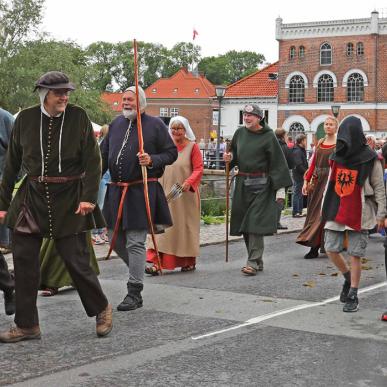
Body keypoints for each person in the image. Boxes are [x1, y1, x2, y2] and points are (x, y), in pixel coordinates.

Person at [0, 71, 112, 343]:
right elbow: (12, 164)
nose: (64, 96)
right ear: (43, 94)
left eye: (66, 92)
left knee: (76, 262)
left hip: (69, 199)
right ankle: (27, 325)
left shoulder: (79, 117)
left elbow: (93, 161)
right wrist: (3, 204)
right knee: (25, 261)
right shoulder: (24, 119)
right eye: (58, 92)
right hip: (31, 197)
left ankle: (102, 309)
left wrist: (88, 197)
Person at [101, 86, 177, 311]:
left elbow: (171, 153)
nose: (125, 103)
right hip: (116, 190)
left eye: (130, 100)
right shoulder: (115, 124)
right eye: (123, 99)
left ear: (141, 102)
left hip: (140, 190)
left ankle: (134, 291)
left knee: (135, 241)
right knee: (114, 238)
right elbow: (103, 155)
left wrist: (151, 159)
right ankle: (139, 266)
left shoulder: (155, 125)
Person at [322, 116, 385, 313]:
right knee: (331, 248)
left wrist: (382, 214)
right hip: (337, 206)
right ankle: (348, 278)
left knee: (355, 254)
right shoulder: (336, 155)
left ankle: (353, 294)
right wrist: (322, 208)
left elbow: (379, 187)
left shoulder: (370, 158)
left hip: (361, 209)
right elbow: (330, 184)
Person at [223, 104, 292, 275]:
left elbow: (278, 163)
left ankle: (252, 262)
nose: (246, 118)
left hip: (263, 185)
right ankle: (257, 259)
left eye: (250, 116)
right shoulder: (239, 133)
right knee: (245, 224)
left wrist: (280, 190)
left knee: (254, 223)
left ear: (259, 118)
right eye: (245, 115)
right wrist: (228, 158)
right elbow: (234, 157)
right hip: (242, 184)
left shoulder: (269, 136)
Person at [146, 115, 203, 274]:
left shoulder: (193, 147)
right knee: (161, 228)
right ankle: (156, 262)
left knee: (183, 229)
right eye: (173, 128)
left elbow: (198, 168)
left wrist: (189, 182)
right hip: (164, 192)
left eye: (179, 128)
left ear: (185, 130)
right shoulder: (165, 146)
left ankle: (187, 261)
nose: (176, 131)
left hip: (185, 196)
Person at [296, 116, 337, 259]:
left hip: (330, 182)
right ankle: (313, 243)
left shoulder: (339, 144)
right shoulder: (320, 142)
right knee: (313, 213)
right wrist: (306, 181)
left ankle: (318, 246)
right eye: (326, 124)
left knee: (323, 214)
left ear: (335, 127)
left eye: (331, 124)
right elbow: (312, 164)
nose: (328, 126)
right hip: (317, 180)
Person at [0, 107, 15, 316]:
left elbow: (19, 155)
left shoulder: (5, 118)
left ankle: (9, 286)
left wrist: (5, 183)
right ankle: (9, 285)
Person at [92, 124, 110, 245]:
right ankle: (95, 232)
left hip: (108, 178)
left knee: (105, 206)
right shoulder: (101, 145)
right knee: (99, 205)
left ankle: (102, 230)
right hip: (102, 177)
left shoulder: (109, 145)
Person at [274, 128, 295, 230]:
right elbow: (291, 164)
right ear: (283, 136)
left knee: (270, 200)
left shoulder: (271, 146)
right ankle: (276, 222)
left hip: (269, 177)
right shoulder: (285, 147)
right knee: (280, 199)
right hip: (281, 178)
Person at [291, 134, 308, 218]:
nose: (306, 142)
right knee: (297, 193)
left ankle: (299, 211)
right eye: (305, 140)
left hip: (301, 175)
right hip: (298, 175)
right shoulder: (297, 151)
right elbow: (299, 165)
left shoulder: (301, 150)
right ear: (301, 141)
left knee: (300, 193)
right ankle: (296, 212)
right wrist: (306, 172)